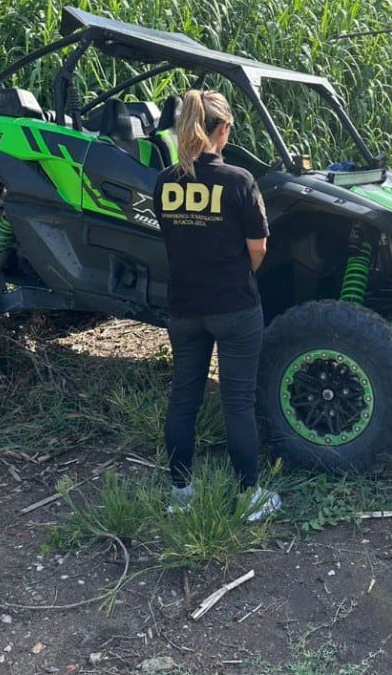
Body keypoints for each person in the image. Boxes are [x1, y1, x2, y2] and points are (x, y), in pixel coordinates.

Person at [153, 89, 280, 522]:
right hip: (234, 306)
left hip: (184, 307)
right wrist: (236, 274)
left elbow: (171, 240)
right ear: (221, 130)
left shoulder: (165, 181)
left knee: (183, 398)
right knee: (237, 401)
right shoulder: (240, 181)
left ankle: (181, 492)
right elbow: (258, 248)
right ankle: (248, 498)